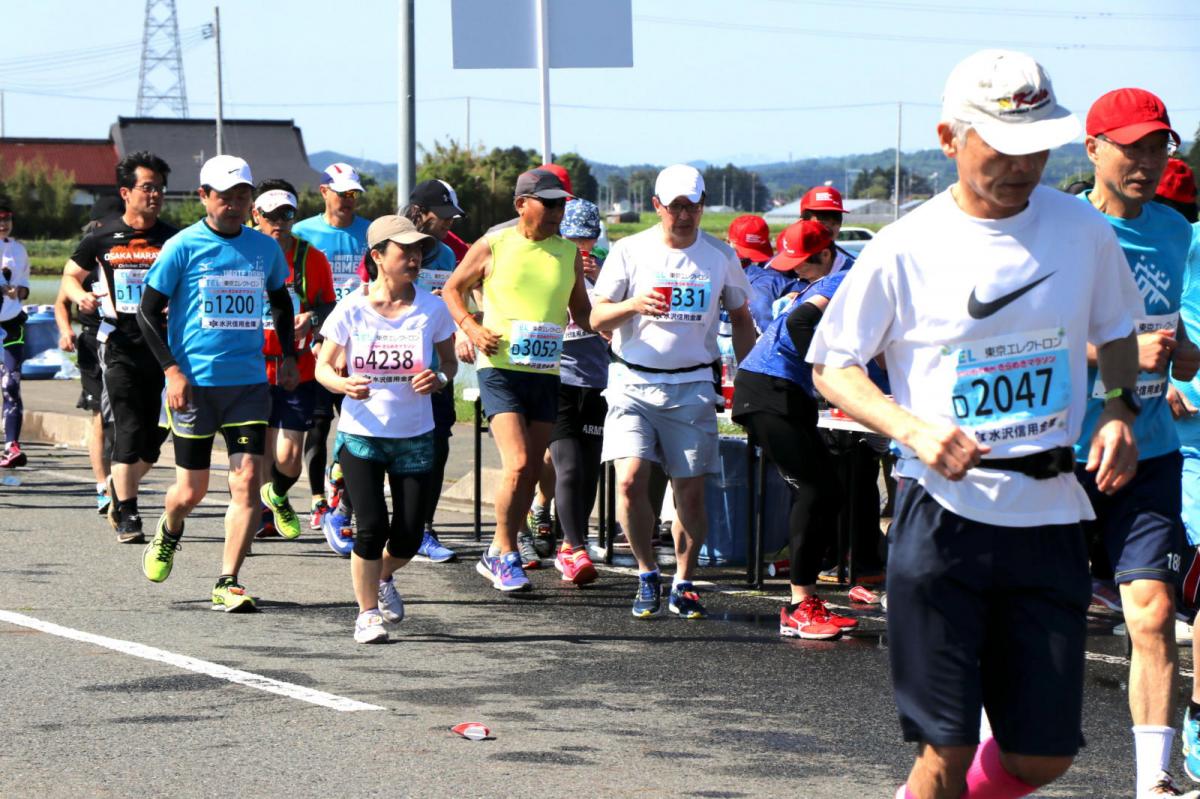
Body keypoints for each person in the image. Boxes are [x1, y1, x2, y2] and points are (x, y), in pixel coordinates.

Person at [809, 50, 1143, 799]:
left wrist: (1120, 405)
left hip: (1052, 515)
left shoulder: (1082, 230)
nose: (1023, 163)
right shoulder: (905, 245)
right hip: (944, 520)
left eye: (1037, 144)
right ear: (949, 137)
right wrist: (912, 428)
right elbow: (831, 365)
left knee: (1044, 757)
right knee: (946, 751)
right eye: (1002, 144)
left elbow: (1116, 326)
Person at [1075, 88, 1200, 798]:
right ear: (1092, 149)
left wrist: (1183, 350)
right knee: (1041, 613)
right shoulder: (1059, 227)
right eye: (1131, 147)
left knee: (1151, 611)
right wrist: (1115, 354)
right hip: (1063, 450)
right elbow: (1032, 339)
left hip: (1150, 446)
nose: (1146, 161)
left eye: (1158, 147)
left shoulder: (1176, 230)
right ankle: (998, 752)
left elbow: (1180, 337)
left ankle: (1153, 777)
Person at [590, 164, 755, 619]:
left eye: (693, 206)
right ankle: (646, 572)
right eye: (675, 206)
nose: (684, 215)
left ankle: (683, 580)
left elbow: (741, 321)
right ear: (657, 205)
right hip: (631, 380)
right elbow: (596, 319)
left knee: (691, 492)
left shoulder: (719, 256)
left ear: (703, 206)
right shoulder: (629, 251)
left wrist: (750, 380)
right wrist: (634, 304)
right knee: (628, 480)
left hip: (692, 383)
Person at [136, 154, 297, 613]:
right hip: (195, 385)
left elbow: (280, 300)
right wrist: (171, 370)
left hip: (247, 383)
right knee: (192, 491)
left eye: (242, 196)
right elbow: (147, 312)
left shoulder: (263, 248)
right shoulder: (183, 247)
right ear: (205, 197)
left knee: (247, 481)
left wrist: (286, 356)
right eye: (224, 196)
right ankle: (169, 529)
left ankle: (228, 580)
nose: (234, 204)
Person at [443, 168, 593, 593]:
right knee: (520, 463)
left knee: (529, 472)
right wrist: (471, 328)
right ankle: (506, 552)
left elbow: (581, 312)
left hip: (545, 371)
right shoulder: (495, 244)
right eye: (548, 203)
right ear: (521, 204)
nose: (556, 211)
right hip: (500, 368)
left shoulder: (567, 254)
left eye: (561, 203)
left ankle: (496, 548)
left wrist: (621, 316)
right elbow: (453, 289)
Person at [315, 214, 456, 643]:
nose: (415, 259)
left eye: (418, 252)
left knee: (410, 535)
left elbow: (449, 362)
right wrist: (342, 384)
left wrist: (441, 379)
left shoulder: (432, 308)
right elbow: (322, 366)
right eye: (405, 251)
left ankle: (381, 576)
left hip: (416, 435)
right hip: (362, 435)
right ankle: (366, 614)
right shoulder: (352, 308)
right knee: (371, 527)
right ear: (377, 256)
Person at [732, 219, 857, 639]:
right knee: (816, 489)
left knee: (829, 490)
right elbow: (802, 326)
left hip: (782, 392)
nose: (794, 270)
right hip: (769, 391)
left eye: (801, 263)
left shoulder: (834, 279)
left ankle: (806, 597)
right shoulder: (840, 279)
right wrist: (829, 376)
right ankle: (799, 606)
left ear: (825, 253)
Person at [61, 151, 177, 542]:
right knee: (126, 429)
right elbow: (69, 277)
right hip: (118, 347)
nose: (155, 195)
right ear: (126, 192)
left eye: (160, 188)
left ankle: (117, 490)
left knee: (152, 444)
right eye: (148, 187)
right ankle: (128, 513)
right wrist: (81, 296)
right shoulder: (101, 237)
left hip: (162, 350)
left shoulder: (173, 239)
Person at [250, 180, 336, 543]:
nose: (279, 222)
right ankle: (258, 515)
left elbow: (329, 304)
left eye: (286, 214)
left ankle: (276, 495)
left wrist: (311, 319)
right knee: (258, 453)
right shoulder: (243, 251)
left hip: (296, 368)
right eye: (270, 215)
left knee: (288, 457)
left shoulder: (310, 258)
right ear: (256, 215)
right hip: (252, 367)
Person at [293, 163, 370, 537]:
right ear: (325, 192)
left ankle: (341, 478)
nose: (349, 201)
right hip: (318, 341)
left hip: (360, 344)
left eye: (354, 194)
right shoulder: (302, 232)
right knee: (319, 422)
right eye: (342, 193)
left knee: (355, 422)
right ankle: (316, 498)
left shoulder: (369, 232)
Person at [402, 178, 467, 563]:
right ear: (418, 213)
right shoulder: (383, 248)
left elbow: (469, 293)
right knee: (379, 449)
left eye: (452, 217)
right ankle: (345, 500)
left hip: (435, 370)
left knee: (436, 448)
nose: (448, 224)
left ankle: (423, 529)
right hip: (388, 369)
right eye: (442, 216)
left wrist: (462, 319)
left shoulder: (449, 254)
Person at [548, 198, 606, 585]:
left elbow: (620, 318)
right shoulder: (549, 265)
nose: (582, 249)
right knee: (567, 466)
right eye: (574, 239)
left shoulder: (607, 270)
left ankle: (574, 541)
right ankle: (572, 545)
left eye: (589, 240)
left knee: (588, 471)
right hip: (557, 378)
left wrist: (599, 281)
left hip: (597, 381)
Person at [1164, 162, 1200, 782]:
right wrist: (1168, 377)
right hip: (1192, 433)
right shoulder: (1188, 239)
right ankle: (1197, 725)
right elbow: (1154, 307)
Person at [55, 194, 122, 513]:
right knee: (99, 418)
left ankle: (122, 478)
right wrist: (66, 329)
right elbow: (60, 300)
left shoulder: (128, 251)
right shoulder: (87, 254)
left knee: (129, 420)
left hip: (128, 341)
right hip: (93, 341)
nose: (97, 230)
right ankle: (102, 486)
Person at [0, 201, 30, 468]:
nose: (3, 224)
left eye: (7, 218)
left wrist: (17, 292)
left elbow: (24, 287)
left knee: (11, 384)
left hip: (11, 323)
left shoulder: (18, 249)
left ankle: (12, 445)